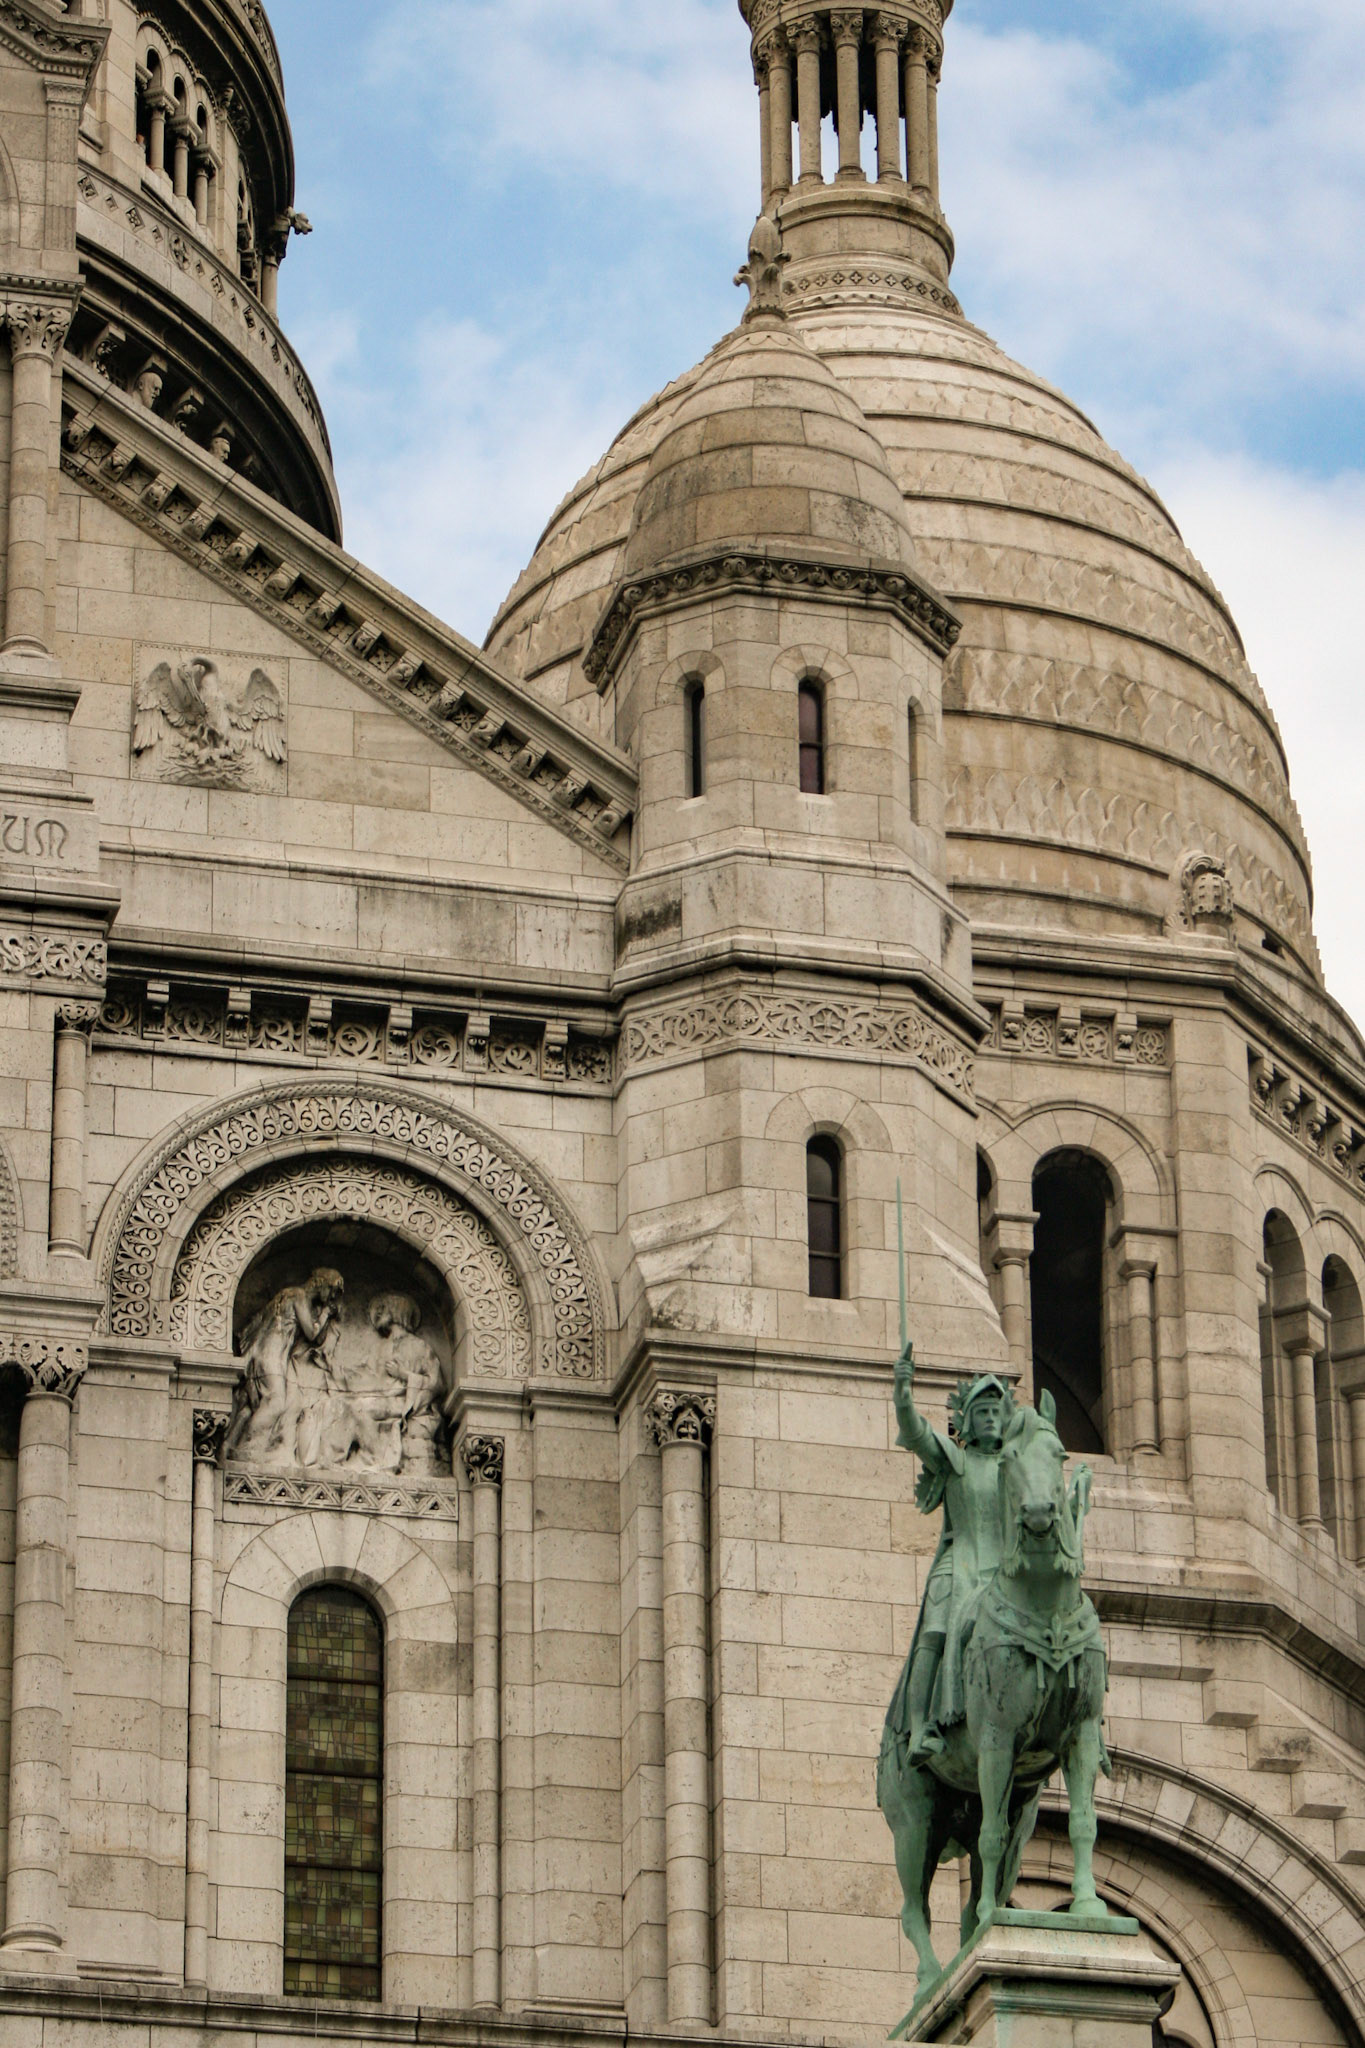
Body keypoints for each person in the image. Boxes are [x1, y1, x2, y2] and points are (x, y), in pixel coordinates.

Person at [883, 1345, 1013, 1768]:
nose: (991, 1419)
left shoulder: (1015, 1467)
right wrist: (904, 1392)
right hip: (958, 1567)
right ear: (968, 1421)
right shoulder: (955, 1460)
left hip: (1005, 1572)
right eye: (982, 1412)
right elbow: (916, 1431)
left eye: (996, 1411)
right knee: (935, 1633)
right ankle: (920, 1726)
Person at [224, 1268, 345, 1468]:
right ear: (322, 1283)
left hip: (270, 1353)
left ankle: (232, 1444)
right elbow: (311, 1334)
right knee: (276, 1402)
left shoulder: (287, 1295)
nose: (331, 1298)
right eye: (332, 1291)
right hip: (271, 1354)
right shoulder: (297, 1295)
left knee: (264, 1404)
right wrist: (325, 1314)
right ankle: (248, 1449)